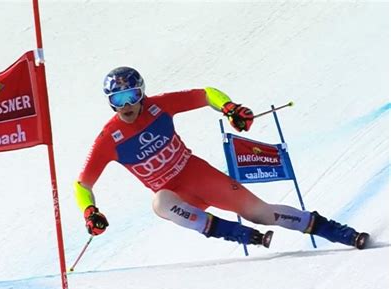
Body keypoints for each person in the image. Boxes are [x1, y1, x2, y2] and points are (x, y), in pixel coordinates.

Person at [74, 66, 369, 250]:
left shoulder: (158, 106)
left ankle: (337, 232)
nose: (126, 106)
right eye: (117, 100)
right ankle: (235, 233)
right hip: (176, 196)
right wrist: (90, 212)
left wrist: (229, 107)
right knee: (160, 203)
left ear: (142, 94)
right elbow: (82, 185)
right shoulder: (108, 138)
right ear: (110, 103)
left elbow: (205, 94)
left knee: (262, 213)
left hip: (197, 175)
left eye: (132, 96)